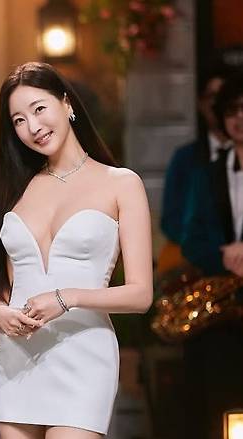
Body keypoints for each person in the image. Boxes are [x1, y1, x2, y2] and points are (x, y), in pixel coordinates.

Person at [0, 62, 153, 438]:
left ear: (66, 103)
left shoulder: (121, 184)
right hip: (16, 358)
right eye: (19, 120)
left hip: (83, 354)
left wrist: (66, 297)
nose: (33, 126)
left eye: (39, 109)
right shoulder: (12, 192)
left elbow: (140, 295)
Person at [180, 70, 243, 439]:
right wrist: (226, 258)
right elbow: (191, 238)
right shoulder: (207, 175)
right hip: (222, 307)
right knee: (219, 399)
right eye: (232, 110)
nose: (239, 118)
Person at [158, 67, 231, 273]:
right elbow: (171, 219)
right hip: (197, 264)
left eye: (224, 97)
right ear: (201, 103)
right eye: (212, 96)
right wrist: (210, 250)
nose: (217, 104)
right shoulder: (186, 158)